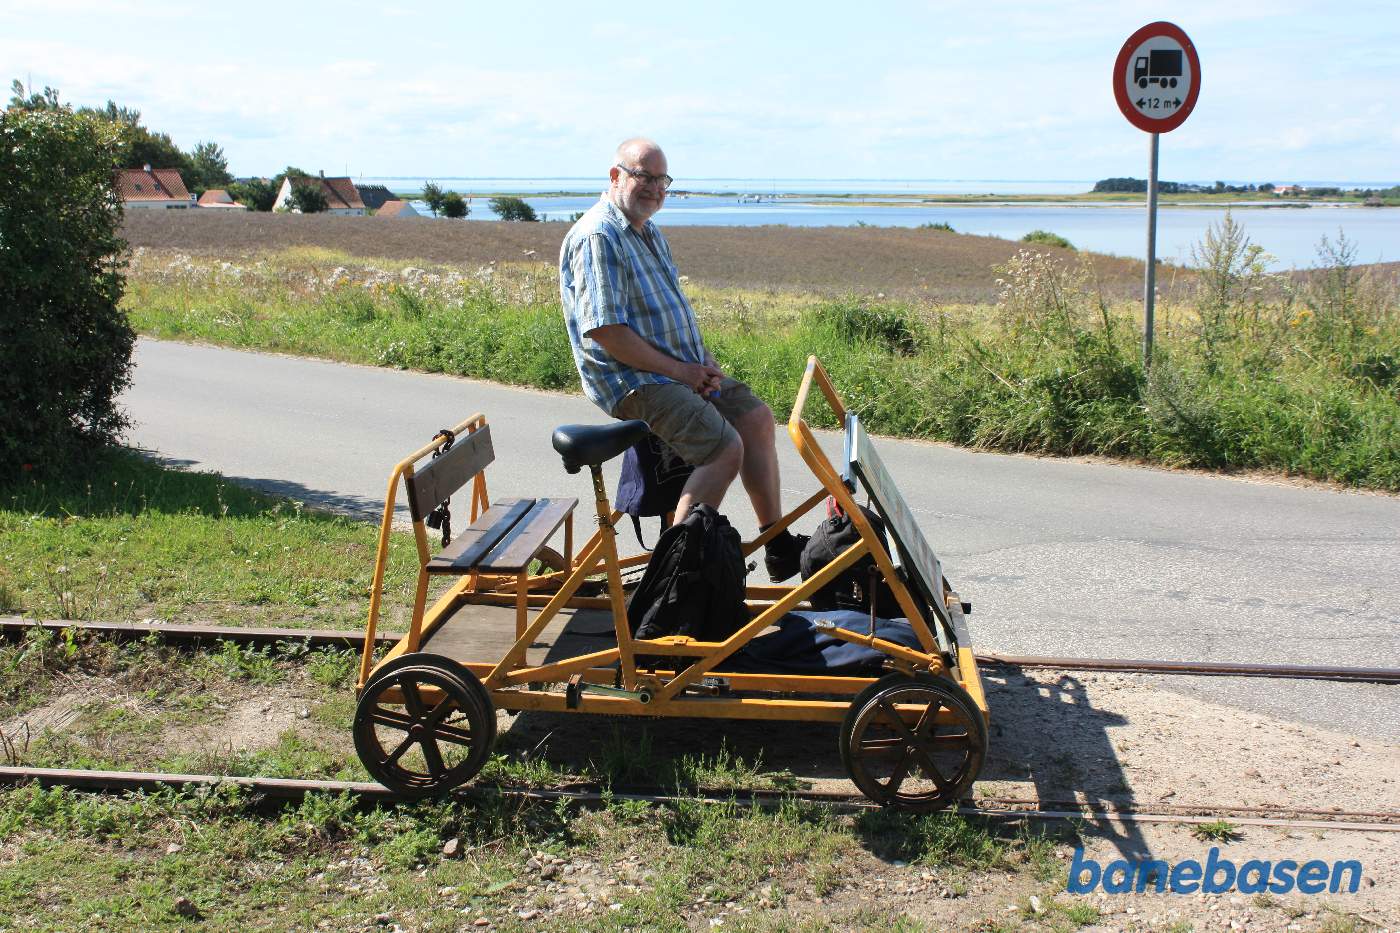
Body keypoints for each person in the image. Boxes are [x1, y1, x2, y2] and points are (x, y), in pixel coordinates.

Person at [559, 137, 805, 582]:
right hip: (634, 380)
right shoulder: (599, 236)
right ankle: (673, 578)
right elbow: (606, 332)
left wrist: (703, 364)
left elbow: (674, 314)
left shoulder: (647, 231)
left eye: (662, 180)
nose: (655, 188)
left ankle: (777, 545)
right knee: (722, 448)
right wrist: (682, 372)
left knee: (755, 419)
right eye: (644, 176)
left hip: (678, 369)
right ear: (616, 176)